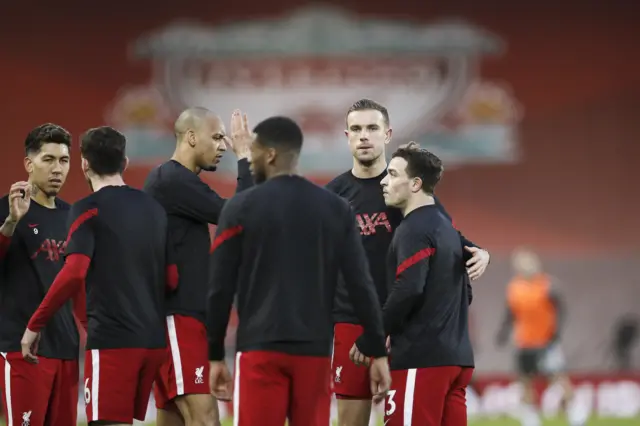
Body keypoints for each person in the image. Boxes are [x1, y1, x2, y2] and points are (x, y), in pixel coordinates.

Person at [206, 116, 390, 426]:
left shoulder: (239, 208)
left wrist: (213, 355)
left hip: (259, 350)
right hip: (314, 353)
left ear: (270, 155)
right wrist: (378, 351)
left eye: (254, 152)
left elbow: (219, 289)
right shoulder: (334, 208)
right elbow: (361, 284)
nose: (251, 161)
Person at [326, 99, 490, 426]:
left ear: (387, 134)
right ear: (346, 136)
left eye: (372, 128)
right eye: (356, 129)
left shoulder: (404, 188)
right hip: (352, 320)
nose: (364, 136)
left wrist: (478, 250)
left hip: (402, 322)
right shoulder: (333, 195)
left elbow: (442, 233)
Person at [21, 126, 177, 426]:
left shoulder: (87, 209)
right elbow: (171, 278)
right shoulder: (155, 210)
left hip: (113, 343)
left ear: (83, 164)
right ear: (125, 162)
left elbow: (74, 273)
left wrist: (34, 324)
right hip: (156, 344)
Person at [143, 107, 253, 426]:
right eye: (217, 137)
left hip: (180, 319)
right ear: (191, 137)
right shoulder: (172, 179)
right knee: (206, 418)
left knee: (175, 420)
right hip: (178, 320)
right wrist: (244, 159)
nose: (223, 145)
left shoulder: (175, 183)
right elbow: (238, 216)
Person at [351, 142, 475, 426]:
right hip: (458, 361)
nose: (384, 181)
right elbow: (465, 293)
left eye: (393, 174)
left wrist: (373, 335)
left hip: (422, 360)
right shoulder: (447, 229)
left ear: (416, 184)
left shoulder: (413, 228)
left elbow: (408, 288)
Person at [0, 123, 84, 426]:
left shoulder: (74, 216)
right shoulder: (5, 211)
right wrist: (11, 222)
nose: (57, 169)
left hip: (65, 347)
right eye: (48, 160)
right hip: (22, 348)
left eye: (63, 160)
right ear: (28, 164)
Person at [496, 248, 585, 426]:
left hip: (546, 342)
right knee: (525, 381)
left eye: (528, 262)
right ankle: (531, 418)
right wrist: (503, 333)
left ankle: (575, 412)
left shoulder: (548, 285)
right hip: (524, 343)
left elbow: (562, 310)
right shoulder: (514, 288)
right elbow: (510, 314)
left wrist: (556, 332)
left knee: (558, 378)